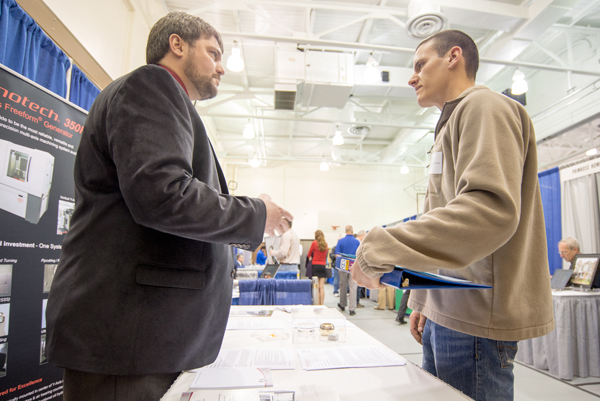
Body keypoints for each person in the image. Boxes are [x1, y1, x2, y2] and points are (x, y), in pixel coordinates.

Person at [45, 12, 292, 401]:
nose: (222, 67)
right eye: (213, 53)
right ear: (177, 45)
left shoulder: (174, 106)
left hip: (148, 339)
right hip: (128, 341)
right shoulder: (152, 84)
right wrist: (257, 214)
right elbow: (162, 194)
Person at [350, 30, 554, 401]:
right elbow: (444, 218)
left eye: (420, 64)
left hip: (476, 318)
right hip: (450, 312)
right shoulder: (451, 122)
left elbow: (488, 211)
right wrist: (424, 301)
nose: (412, 77)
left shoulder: (484, 108)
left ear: (453, 57)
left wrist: (380, 245)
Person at [336, 225, 360, 316]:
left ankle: (342, 304)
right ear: (352, 231)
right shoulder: (357, 242)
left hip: (343, 266)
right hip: (354, 266)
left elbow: (337, 255)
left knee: (342, 285)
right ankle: (352, 309)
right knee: (353, 286)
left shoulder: (341, 241)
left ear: (345, 231)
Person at [307, 230, 329, 305]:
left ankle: (317, 304)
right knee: (321, 287)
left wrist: (310, 258)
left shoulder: (314, 243)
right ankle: (321, 304)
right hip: (323, 266)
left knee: (316, 287)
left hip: (315, 266)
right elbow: (326, 255)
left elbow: (308, 254)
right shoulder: (326, 244)